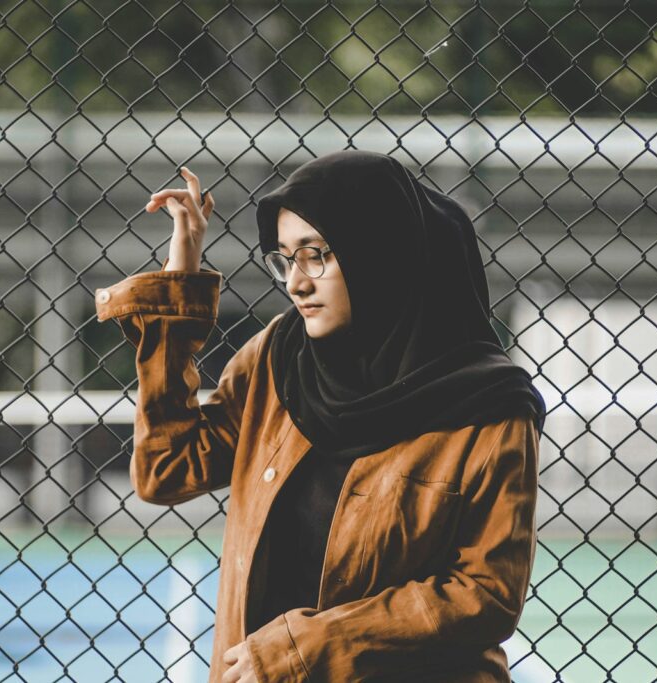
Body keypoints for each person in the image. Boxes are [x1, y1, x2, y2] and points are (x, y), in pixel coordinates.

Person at [94, 150, 547, 682]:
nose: (295, 282)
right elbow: (165, 470)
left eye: (317, 256)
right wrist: (180, 282)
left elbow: (487, 595)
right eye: (285, 258)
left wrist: (314, 643)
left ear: (379, 254)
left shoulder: (488, 408)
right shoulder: (278, 360)